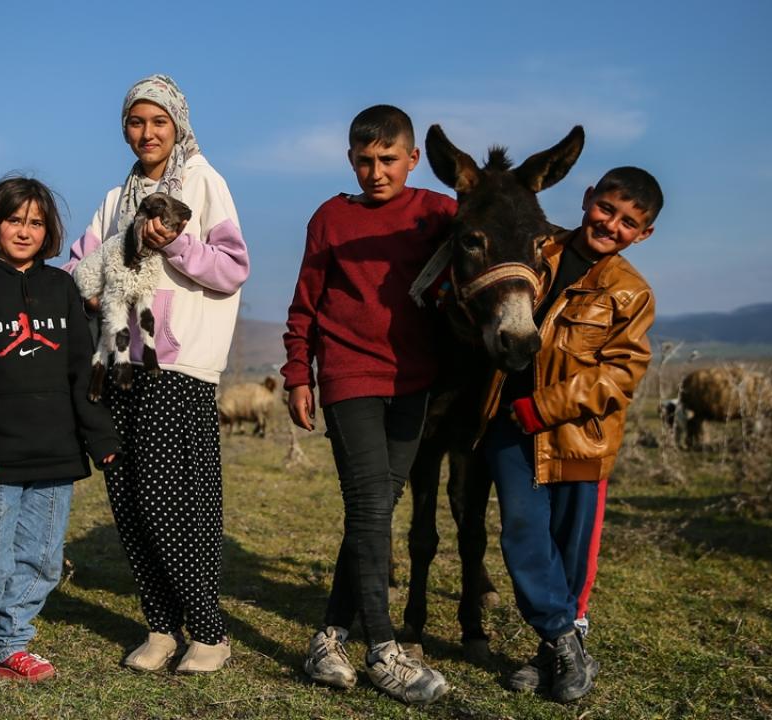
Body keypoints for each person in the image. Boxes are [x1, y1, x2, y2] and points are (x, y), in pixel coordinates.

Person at [64, 74, 249, 674]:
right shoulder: (116, 198)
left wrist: (170, 246)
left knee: (173, 498)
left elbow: (231, 266)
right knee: (128, 498)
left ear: (178, 125)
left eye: (158, 122)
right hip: (120, 365)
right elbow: (78, 266)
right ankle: (162, 626)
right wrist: (89, 292)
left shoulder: (203, 181)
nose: (147, 133)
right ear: (125, 128)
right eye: (136, 122)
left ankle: (210, 631)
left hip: (179, 364)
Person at [281, 104, 455, 706]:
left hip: (413, 381)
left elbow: (498, 227)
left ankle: (327, 637)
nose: (376, 172)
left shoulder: (437, 213)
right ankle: (384, 651)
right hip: (349, 374)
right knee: (370, 504)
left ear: (412, 159)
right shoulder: (330, 218)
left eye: (388, 160)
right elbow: (305, 302)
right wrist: (297, 373)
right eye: (364, 160)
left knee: (374, 511)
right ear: (350, 160)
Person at [0, 175, 120, 688]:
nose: (24, 231)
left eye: (36, 222)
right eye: (15, 220)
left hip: (56, 451)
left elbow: (83, 371)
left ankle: (13, 641)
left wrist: (99, 438)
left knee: (40, 556)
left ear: (49, 231)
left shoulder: (61, 288)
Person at [483, 166, 661, 703]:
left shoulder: (630, 293)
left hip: (578, 437)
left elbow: (620, 374)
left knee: (570, 549)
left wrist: (545, 407)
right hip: (510, 428)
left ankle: (551, 652)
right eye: (607, 208)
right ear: (587, 199)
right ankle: (564, 641)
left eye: (629, 222)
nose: (612, 224)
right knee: (521, 534)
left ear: (643, 234)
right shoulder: (537, 250)